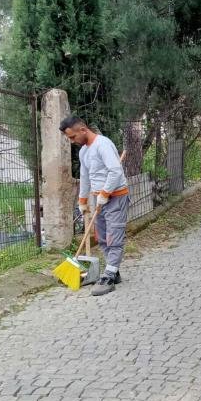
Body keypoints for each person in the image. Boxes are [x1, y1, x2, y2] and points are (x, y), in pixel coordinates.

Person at [60, 116, 129, 296]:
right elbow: (85, 176)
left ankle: (109, 277)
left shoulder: (103, 145)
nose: (72, 141)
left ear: (83, 130)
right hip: (99, 198)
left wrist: (105, 193)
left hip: (116, 197)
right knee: (103, 237)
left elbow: (115, 171)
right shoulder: (84, 151)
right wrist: (82, 200)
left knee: (114, 237)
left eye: (73, 137)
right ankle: (113, 270)